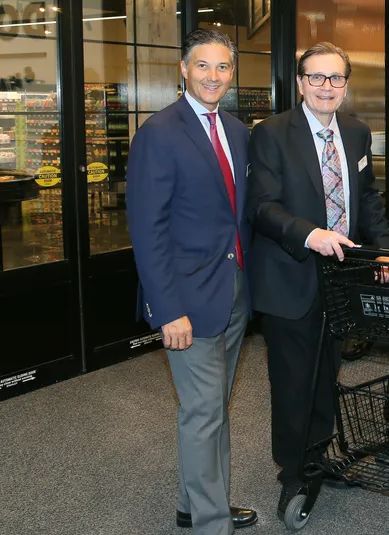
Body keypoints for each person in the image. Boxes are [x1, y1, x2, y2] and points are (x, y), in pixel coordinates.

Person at [246, 42, 389, 522]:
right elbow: (262, 207)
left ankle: (318, 453)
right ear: (300, 82)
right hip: (290, 273)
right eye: (317, 78)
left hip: (340, 277)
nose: (326, 87)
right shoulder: (271, 133)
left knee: (327, 371)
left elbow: (367, 196)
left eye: (335, 79)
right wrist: (310, 235)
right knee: (293, 379)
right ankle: (294, 472)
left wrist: (385, 244)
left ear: (346, 85)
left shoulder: (355, 132)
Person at [128, 28, 258, 535]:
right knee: (204, 411)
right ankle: (210, 523)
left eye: (223, 67)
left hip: (233, 291)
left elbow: (237, 216)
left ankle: (194, 503)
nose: (213, 76)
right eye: (202, 65)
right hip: (185, 299)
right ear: (183, 69)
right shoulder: (159, 133)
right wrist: (166, 309)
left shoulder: (239, 131)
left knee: (215, 409)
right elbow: (147, 228)